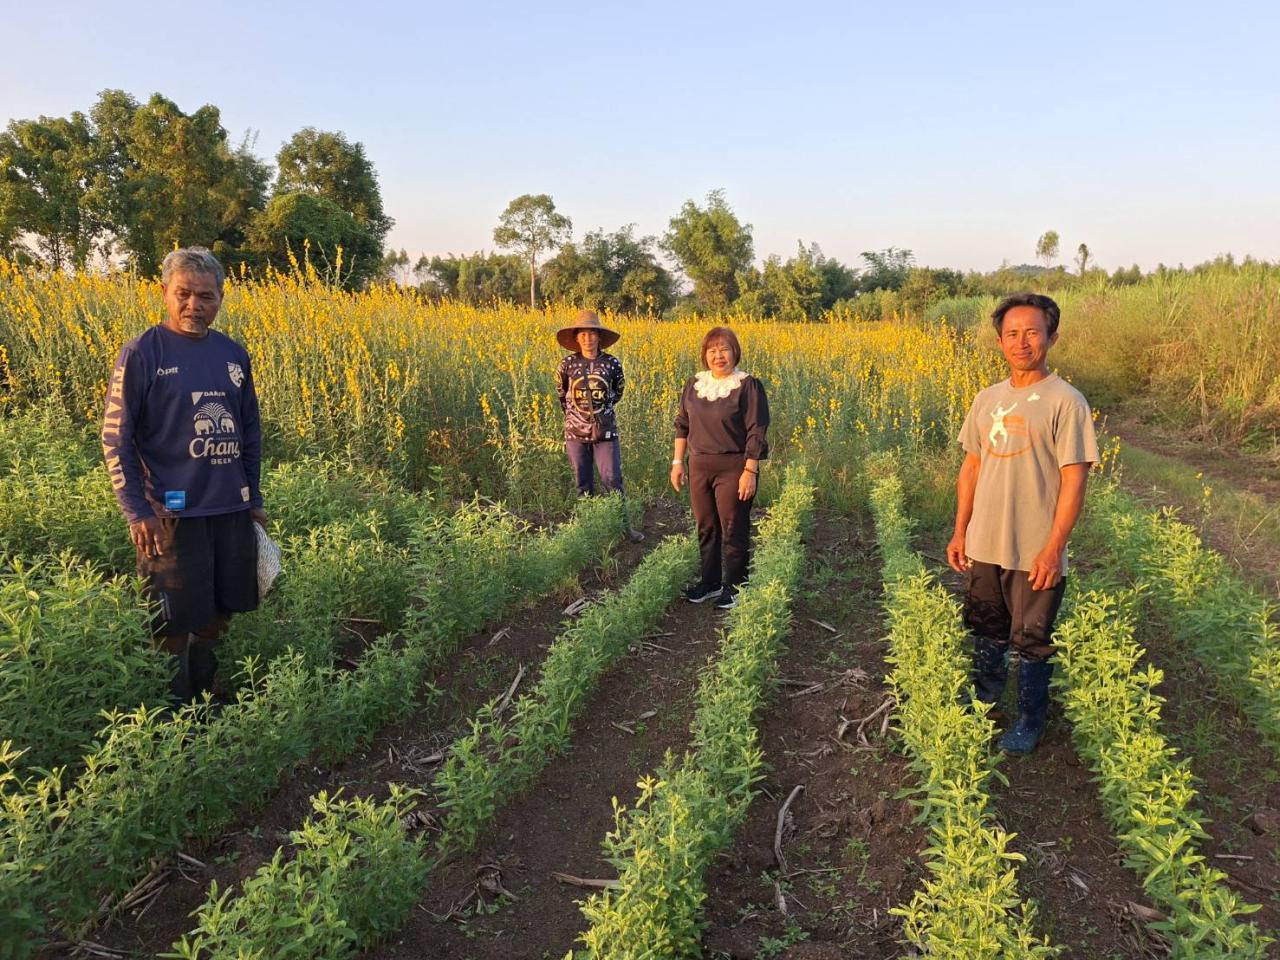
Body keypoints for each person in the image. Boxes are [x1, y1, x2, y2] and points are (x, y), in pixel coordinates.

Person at [102, 246, 266, 703]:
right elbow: (115, 439)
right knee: (171, 620)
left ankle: (204, 694)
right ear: (165, 293)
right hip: (171, 515)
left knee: (221, 609)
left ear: (221, 299)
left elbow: (250, 432)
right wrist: (137, 511)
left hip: (230, 509)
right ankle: (174, 710)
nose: (195, 305)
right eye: (184, 294)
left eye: (206, 296)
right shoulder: (142, 353)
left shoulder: (233, 354)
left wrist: (253, 500)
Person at [946, 292, 1099, 754]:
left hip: (1035, 547)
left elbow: (1075, 480)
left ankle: (1031, 719)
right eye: (1012, 333)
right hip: (986, 540)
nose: (1022, 341)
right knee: (987, 625)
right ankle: (985, 702)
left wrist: (1054, 547)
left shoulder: (1066, 402)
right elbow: (972, 467)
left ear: (1052, 336)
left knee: (1032, 638)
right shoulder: (987, 398)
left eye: (1032, 332)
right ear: (1000, 341)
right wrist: (960, 530)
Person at [671, 326, 770, 611]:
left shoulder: (748, 385)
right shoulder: (694, 384)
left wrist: (750, 471)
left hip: (734, 466)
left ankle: (736, 586)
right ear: (705, 355)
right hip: (699, 465)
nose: (719, 356)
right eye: (712, 351)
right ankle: (710, 582)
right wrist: (678, 462)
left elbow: (757, 430)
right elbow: (682, 425)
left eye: (724, 349)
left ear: (735, 352)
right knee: (706, 526)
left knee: (733, 527)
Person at [554, 309, 644, 542]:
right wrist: (578, 417)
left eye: (592, 333)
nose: (587, 338)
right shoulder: (567, 364)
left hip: (606, 430)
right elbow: (562, 395)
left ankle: (623, 529)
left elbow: (618, 392)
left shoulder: (612, 364)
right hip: (575, 431)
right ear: (576, 338)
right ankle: (587, 530)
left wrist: (601, 413)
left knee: (612, 479)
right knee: (582, 482)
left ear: (599, 337)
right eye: (583, 333)